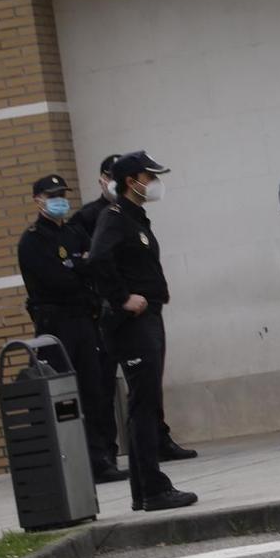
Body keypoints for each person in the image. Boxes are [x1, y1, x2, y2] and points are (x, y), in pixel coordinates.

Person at [88, 151, 197, 513]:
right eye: (149, 177)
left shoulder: (133, 217)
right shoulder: (115, 217)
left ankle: (144, 489)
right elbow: (98, 260)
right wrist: (122, 298)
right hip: (133, 324)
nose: (154, 183)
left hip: (147, 318)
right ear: (132, 180)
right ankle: (152, 488)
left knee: (145, 404)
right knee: (144, 404)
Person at [18, 174, 125, 483]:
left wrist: (78, 268)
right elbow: (56, 281)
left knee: (93, 392)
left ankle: (99, 460)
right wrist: (79, 267)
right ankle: (68, 465)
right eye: (52, 196)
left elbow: (95, 268)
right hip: (55, 327)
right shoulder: (33, 240)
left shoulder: (76, 232)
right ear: (38, 199)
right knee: (62, 395)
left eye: (61, 194)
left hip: (84, 321)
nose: (58, 200)